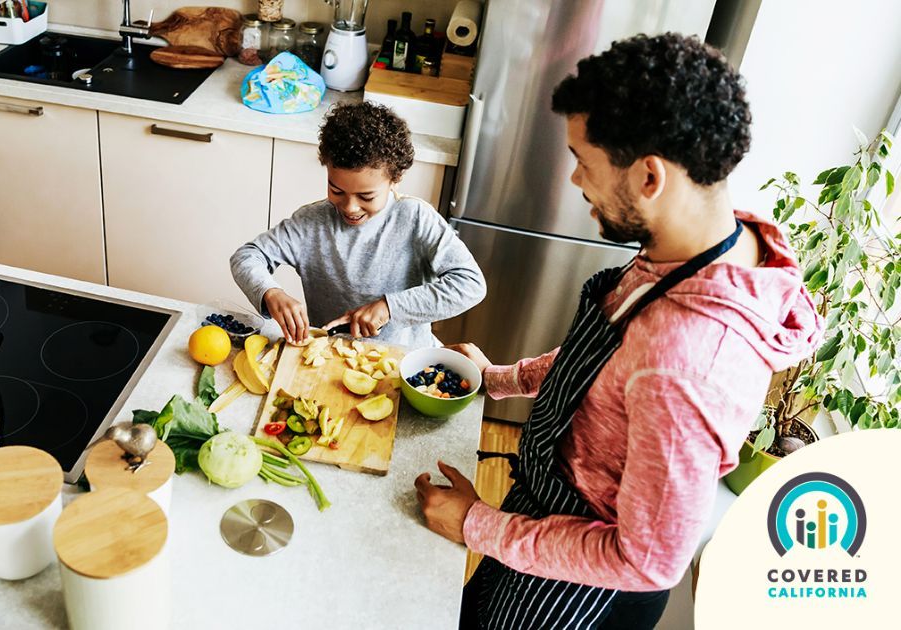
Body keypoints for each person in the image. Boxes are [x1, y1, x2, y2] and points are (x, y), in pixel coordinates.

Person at [413, 33, 822, 629]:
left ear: (650, 177)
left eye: (583, 160)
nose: (575, 179)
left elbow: (646, 559)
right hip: (540, 519)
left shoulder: (688, 363)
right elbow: (606, 357)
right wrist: (499, 380)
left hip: (580, 590)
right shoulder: (707, 241)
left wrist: (477, 524)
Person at [229, 102, 486, 348]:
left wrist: (389, 308)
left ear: (395, 179)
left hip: (403, 361)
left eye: (366, 196)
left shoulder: (416, 219)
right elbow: (247, 256)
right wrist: (270, 292)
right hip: (330, 358)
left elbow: (470, 284)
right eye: (336, 189)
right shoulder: (311, 223)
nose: (350, 207)